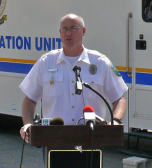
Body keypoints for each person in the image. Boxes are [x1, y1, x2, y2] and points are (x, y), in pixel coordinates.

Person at [19, 14, 128, 143]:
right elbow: (29, 100)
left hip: (91, 138)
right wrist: (27, 124)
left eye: (73, 28)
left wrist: (115, 121)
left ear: (84, 31)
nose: (68, 33)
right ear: (60, 33)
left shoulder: (100, 62)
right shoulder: (46, 62)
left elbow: (119, 99)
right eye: (64, 29)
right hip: (53, 138)